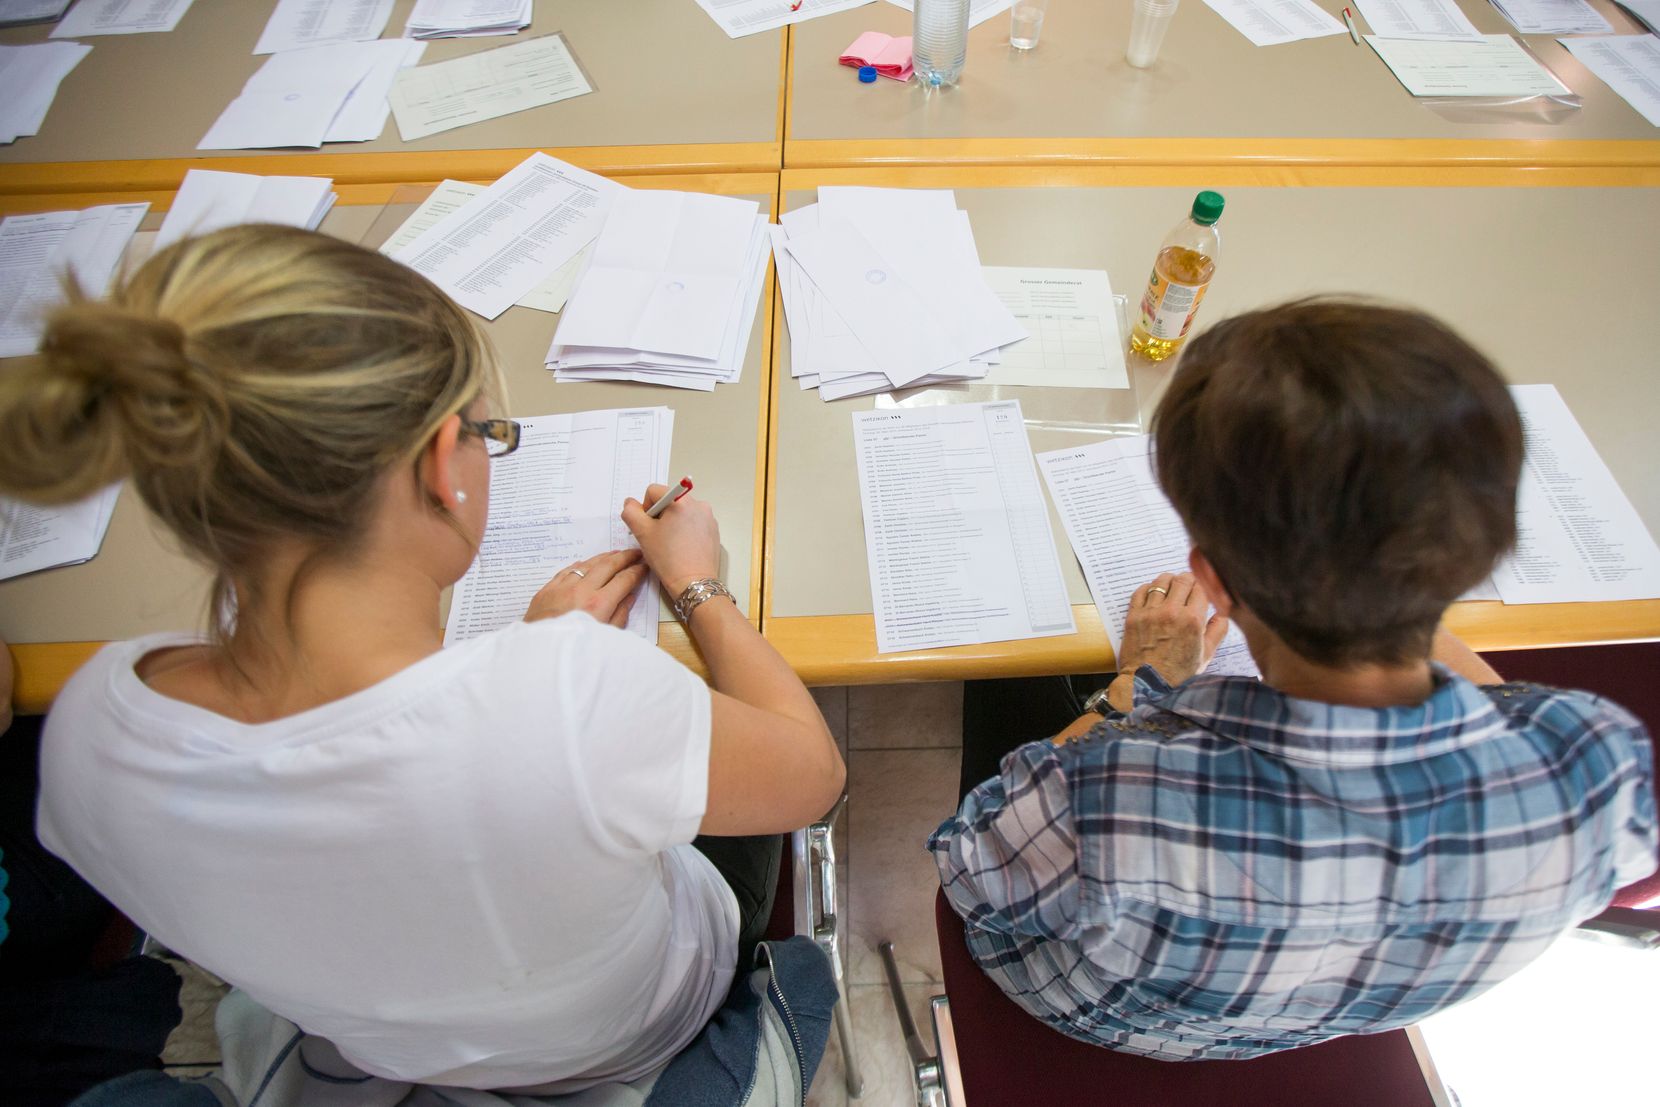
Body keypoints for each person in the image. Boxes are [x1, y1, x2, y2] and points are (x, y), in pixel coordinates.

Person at [0, 225, 845, 1092]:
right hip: (633, 1026)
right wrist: (700, 588)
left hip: (392, 1047)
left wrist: (521, 658)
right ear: (446, 462)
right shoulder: (571, 699)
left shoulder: (84, 734)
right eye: (491, 432)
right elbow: (813, 774)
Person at [930, 299, 1656, 1061]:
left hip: (1096, 1004)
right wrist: (1388, 571)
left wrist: (1140, 681)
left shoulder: (1114, 797)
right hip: (1312, 1014)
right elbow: (1507, 715)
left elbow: (968, 869)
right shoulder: (1597, 757)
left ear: (1213, 578)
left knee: (1006, 670)